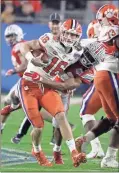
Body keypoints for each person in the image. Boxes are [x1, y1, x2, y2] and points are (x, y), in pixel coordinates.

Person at [18, 18, 86, 167]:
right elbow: (25, 45)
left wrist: (69, 83)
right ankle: (36, 150)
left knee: (61, 115)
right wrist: (31, 58)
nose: (70, 38)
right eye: (67, 33)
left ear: (78, 37)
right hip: (29, 84)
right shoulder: (48, 39)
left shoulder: (78, 50)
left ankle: (74, 152)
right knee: (38, 126)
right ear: (62, 31)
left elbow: (70, 68)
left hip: (47, 86)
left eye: (74, 35)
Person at [75, 4, 119, 168]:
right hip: (109, 73)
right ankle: (109, 158)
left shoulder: (103, 31)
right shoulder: (113, 30)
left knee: (112, 119)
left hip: (102, 75)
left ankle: (86, 139)